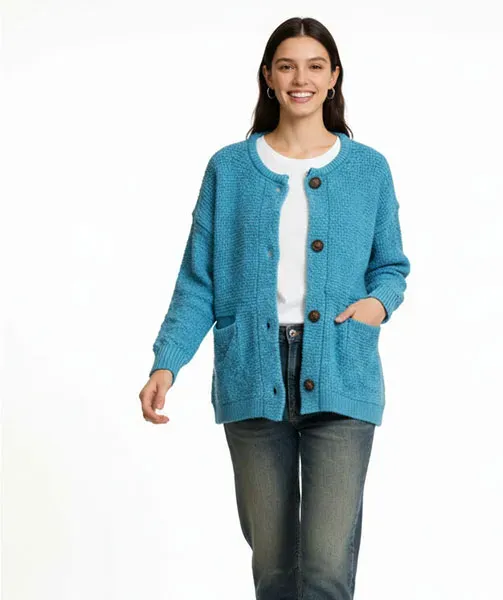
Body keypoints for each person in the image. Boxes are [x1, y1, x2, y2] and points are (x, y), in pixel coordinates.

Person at [139, 16, 410, 600]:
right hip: (252, 370)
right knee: (275, 567)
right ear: (268, 77)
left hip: (341, 370)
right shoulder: (230, 168)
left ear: (334, 77)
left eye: (315, 66)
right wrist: (167, 362)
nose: (300, 79)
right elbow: (199, 279)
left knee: (327, 567)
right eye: (287, 66)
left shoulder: (369, 169)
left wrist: (376, 305)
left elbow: (391, 266)